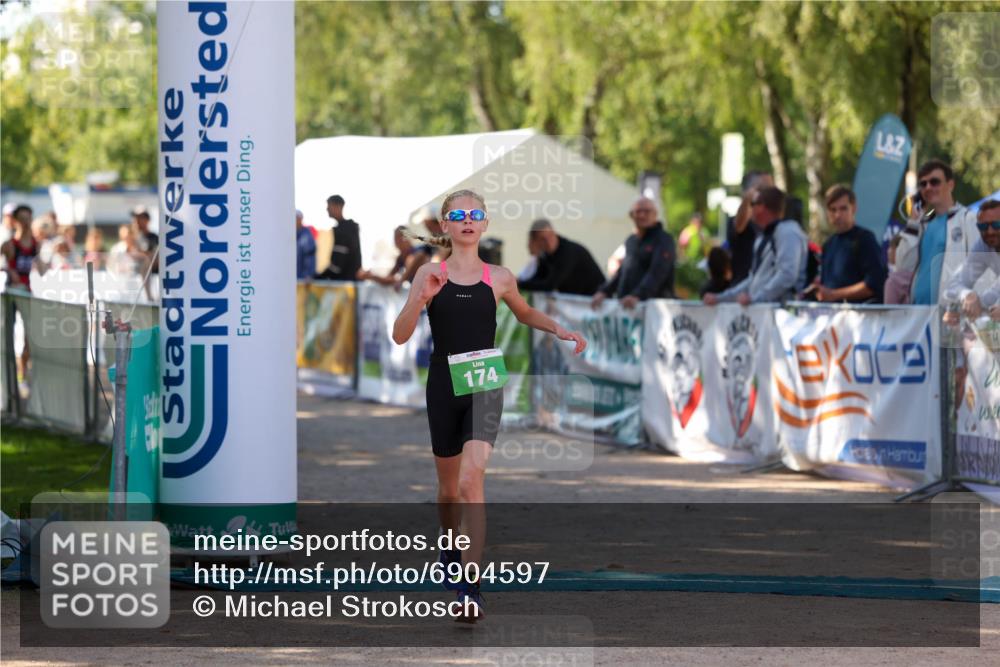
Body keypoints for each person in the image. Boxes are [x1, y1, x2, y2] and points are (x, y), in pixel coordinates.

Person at [392, 189, 586, 623]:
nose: (466, 220)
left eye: (474, 214)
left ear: (485, 223)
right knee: (447, 492)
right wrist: (422, 298)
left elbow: (523, 312)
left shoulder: (499, 277)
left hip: (483, 385)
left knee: (470, 483)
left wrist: (560, 329)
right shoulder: (429, 271)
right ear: (445, 225)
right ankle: (447, 544)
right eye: (457, 214)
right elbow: (400, 334)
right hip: (444, 386)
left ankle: (470, 589)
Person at [895, 159, 980, 305]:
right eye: (923, 184)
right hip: (919, 314)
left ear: (950, 185)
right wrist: (913, 223)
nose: (928, 187)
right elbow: (902, 266)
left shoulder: (968, 219)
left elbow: (982, 265)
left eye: (934, 182)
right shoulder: (922, 225)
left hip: (952, 314)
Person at [704, 186, 808, 306]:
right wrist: (720, 298)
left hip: (781, 314)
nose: (750, 208)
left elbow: (787, 275)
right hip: (762, 313)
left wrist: (756, 299)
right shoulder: (764, 236)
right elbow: (753, 280)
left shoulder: (787, 231)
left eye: (752, 203)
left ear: (761, 206)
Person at [591, 197, 676, 310]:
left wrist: (638, 295)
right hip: (626, 307)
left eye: (646, 211)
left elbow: (657, 272)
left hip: (653, 311)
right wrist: (604, 291)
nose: (642, 215)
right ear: (631, 215)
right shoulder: (631, 240)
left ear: (655, 214)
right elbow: (622, 271)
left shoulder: (664, 240)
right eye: (638, 212)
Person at [726, 171, 804, 284]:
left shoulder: (786, 228)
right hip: (745, 291)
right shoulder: (743, 223)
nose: (770, 195)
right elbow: (738, 226)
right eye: (764, 190)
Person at [813, 184, 885, 303]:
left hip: (861, 317)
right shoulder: (828, 245)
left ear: (854, 208)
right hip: (831, 317)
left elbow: (874, 284)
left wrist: (834, 294)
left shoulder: (865, 239)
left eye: (843, 208)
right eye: (833, 209)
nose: (838, 215)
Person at [944, 199, 1000, 325]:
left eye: (996, 225)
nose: (990, 231)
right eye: (983, 226)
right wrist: (968, 295)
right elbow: (953, 285)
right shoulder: (983, 245)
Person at [516, 219, 605, 296]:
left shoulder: (568, 252)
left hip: (594, 300)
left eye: (550, 236)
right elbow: (539, 277)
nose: (548, 242)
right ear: (537, 241)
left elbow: (550, 285)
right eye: (543, 239)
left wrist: (521, 284)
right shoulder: (545, 255)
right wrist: (519, 284)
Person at [359, 225, 430, 288]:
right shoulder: (400, 258)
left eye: (399, 239)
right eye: (395, 240)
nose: (397, 243)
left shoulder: (419, 251)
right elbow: (390, 278)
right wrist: (372, 276)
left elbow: (419, 257)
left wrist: (402, 280)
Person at [319, 194, 362, 281]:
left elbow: (337, 265)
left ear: (338, 206)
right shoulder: (346, 228)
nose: (327, 209)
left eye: (329, 206)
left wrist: (316, 278)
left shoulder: (345, 230)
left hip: (347, 283)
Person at [1, 205, 38, 290]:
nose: (25, 223)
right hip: (12, 290)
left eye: (28, 219)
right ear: (15, 221)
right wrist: (9, 270)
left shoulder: (36, 244)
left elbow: (42, 271)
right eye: (22, 219)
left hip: (28, 291)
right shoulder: (8, 244)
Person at [132, 206, 159, 273]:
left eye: (140, 218)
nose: (137, 221)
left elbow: (157, 259)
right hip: (135, 278)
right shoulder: (132, 238)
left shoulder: (155, 238)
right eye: (135, 218)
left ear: (147, 220)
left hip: (152, 278)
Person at [295, 209, 316, 280]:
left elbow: (310, 256)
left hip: (303, 278)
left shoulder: (306, 235)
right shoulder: (290, 234)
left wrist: (308, 274)